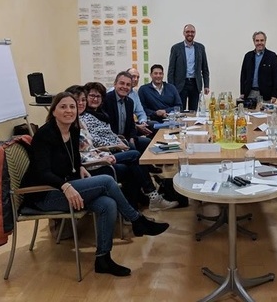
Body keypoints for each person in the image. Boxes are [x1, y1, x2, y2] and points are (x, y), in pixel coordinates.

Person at [21, 92, 170, 277]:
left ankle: (103, 259)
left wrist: (79, 167)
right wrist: (66, 186)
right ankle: (137, 220)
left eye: (72, 107)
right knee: (107, 181)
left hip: (66, 186)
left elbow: (73, 158)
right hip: (45, 195)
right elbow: (43, 172)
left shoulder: (72, 130)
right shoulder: (44, 134)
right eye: (63, 107)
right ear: (53, 111)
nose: (69, 110)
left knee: (108, 204)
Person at [74, 85, 178, 211]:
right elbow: (93, 143)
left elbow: (114, 132)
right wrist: (116, 145)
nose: (95, 99)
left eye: (98, 96)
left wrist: (122, 140)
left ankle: (140, 202)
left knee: (136, 155)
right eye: (91, 96)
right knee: (134, 155)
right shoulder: (82, 118)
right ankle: (151, 195)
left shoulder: (101, 114)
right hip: (101, 156)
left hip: (113, 148)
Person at [102, 72, 152, 155]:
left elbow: (131, 124)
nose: (125, 87)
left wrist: (132, 138)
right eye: (122, 83)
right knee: (134, 153)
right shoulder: (106, 100)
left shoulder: (130, 102)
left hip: (126, 138)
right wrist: (119, 142)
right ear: (115, 84)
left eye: (128, 85)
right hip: (111, 140)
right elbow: (104, 127)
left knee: (148, 143)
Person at [167, 24, 210, 111]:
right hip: (180, 85)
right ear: (184, 33)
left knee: (193, 111)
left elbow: (205, 68)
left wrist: (206, 85)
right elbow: (171, 69)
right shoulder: (176, 48)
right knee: (180, 111)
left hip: (195, 84)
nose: (190, 34)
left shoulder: (200, 48)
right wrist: (171, 87)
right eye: (187, 32)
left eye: (192, 32)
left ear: (195, 33)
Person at [239, 31, 277, 104]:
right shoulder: (248, 56)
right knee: (248, 111)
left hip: (266, 95)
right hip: (249, 93)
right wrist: (242, 92)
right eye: (257, 40)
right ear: (254, 42)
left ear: (265, 41)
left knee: (265, 112)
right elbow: (243, 75)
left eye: (262, 40)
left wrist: (275, 95)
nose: (259, 43)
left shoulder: (272, 56)